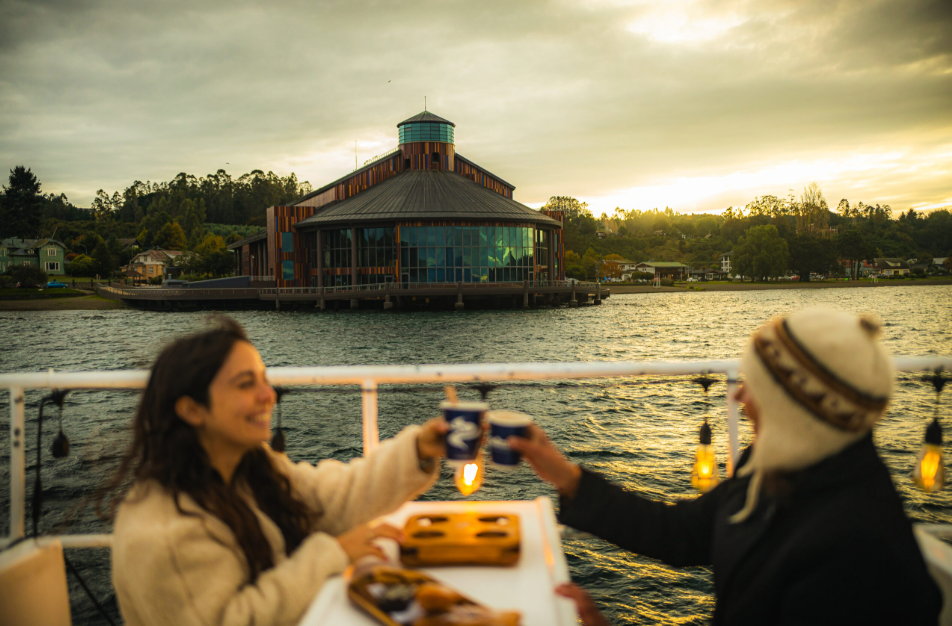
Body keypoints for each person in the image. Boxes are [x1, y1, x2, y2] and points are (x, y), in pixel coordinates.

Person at [510, 308, 943, 625]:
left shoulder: (854, 556)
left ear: (793, 406)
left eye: (754, 384)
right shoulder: (784, 468)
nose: (738, 397)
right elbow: (679, 534)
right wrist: (565, 476)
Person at [102, 317, 447, 626]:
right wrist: (334, 553)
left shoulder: (247, 467)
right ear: (192, 409)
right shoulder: (167, 535)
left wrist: (418, 450)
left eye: (264, 381)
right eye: (245, 384)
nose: (268, 395)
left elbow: (329, 498)